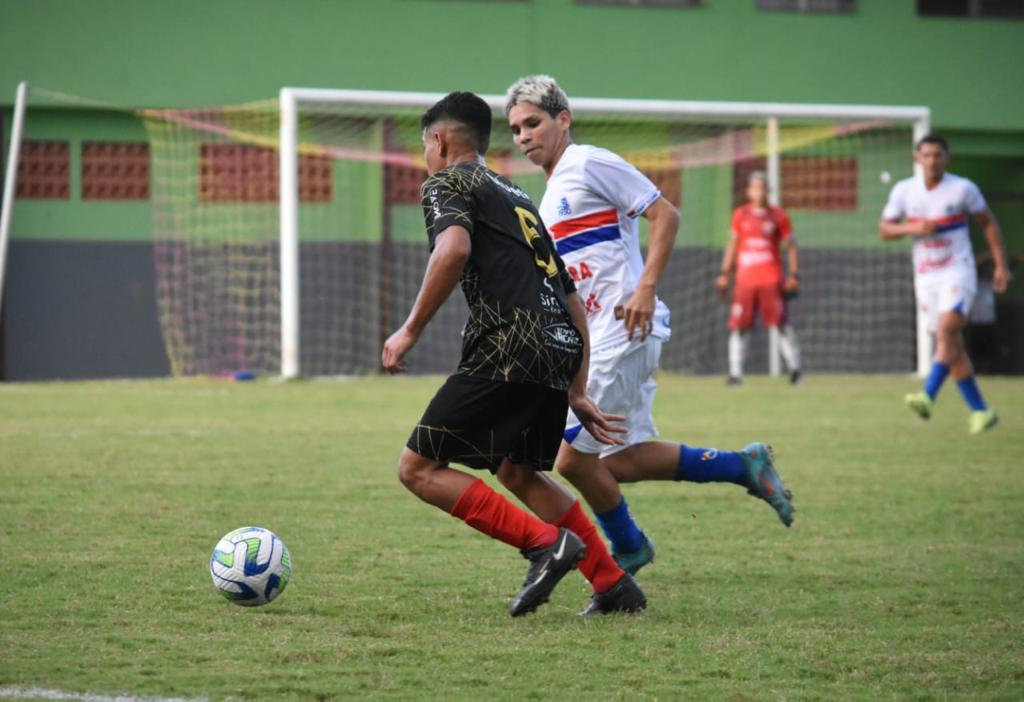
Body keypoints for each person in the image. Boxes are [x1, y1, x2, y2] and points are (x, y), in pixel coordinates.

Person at [505, 75, 794, 579]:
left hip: (625, 329)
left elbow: (665, 214)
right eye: (515, 129)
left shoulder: (589, 161)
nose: (524, 135)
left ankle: (630, 547)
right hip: (597, 338)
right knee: (619, 462)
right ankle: (742, 466)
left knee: (571, 461)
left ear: (563, 119)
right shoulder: (550, 199)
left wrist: (645, 288)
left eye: (533, 122)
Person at [382, 91, 645, 617]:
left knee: (418, 469)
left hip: (508, 345)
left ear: (439, 141)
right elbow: (570, 297)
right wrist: (576, 386)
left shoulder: (446, 181)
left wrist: (409, 329)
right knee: (517, 470)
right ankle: (612, 582)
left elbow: (452, 250)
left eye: (425, 147)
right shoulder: (517, 194)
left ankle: (544, 545)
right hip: (559, 345)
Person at [880, 133, 1011, 434]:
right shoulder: (905, 191)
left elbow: (988, 222)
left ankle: (927, 395)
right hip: (926, 275)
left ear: (946, 158)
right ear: (917, 158)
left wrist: (1001, 265)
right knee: (951, 346)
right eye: (926, 155)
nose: (932, 161)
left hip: (958, 270)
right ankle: (982, 410)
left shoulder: (962, 188)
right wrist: (914, 227)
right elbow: (885, 229)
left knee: (946, 331)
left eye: (938, 155)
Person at [717, 171, 802, 385]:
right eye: (755, 187)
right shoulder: (740, 215)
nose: (759, 191)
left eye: (762, 187)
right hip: (745, 281)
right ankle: (736, 374)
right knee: (739, 326)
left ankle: (795, 370)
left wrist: (793, 274)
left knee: (781, 324)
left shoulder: (778, 216)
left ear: (768, 190)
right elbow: (733, 245)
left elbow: (791, 246)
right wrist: (725, 273)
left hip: (771, 279)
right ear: (749, 191)